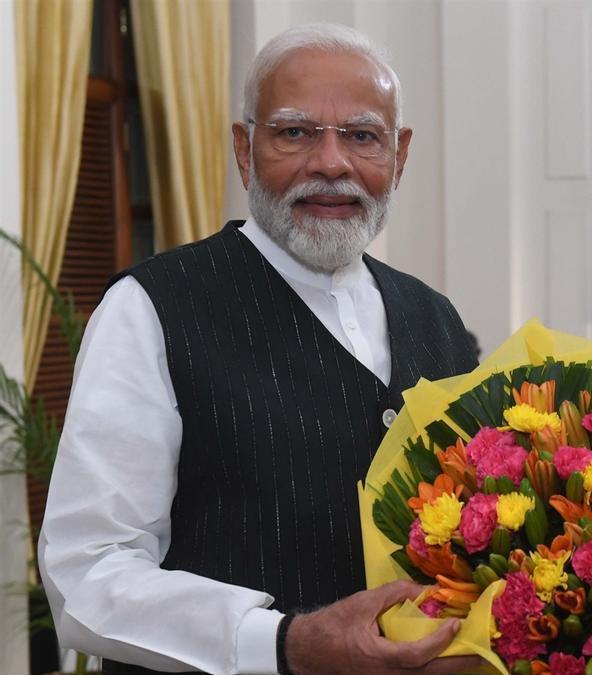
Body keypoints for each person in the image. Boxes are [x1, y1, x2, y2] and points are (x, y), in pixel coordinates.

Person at [39, 24, 482, 675]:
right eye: (296, 132)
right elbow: (87, 575)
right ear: (245, 150)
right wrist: (283, 642)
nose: (331, 162)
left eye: (362, 136)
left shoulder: (436, 318)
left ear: (399, 153)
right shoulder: (152, 308)